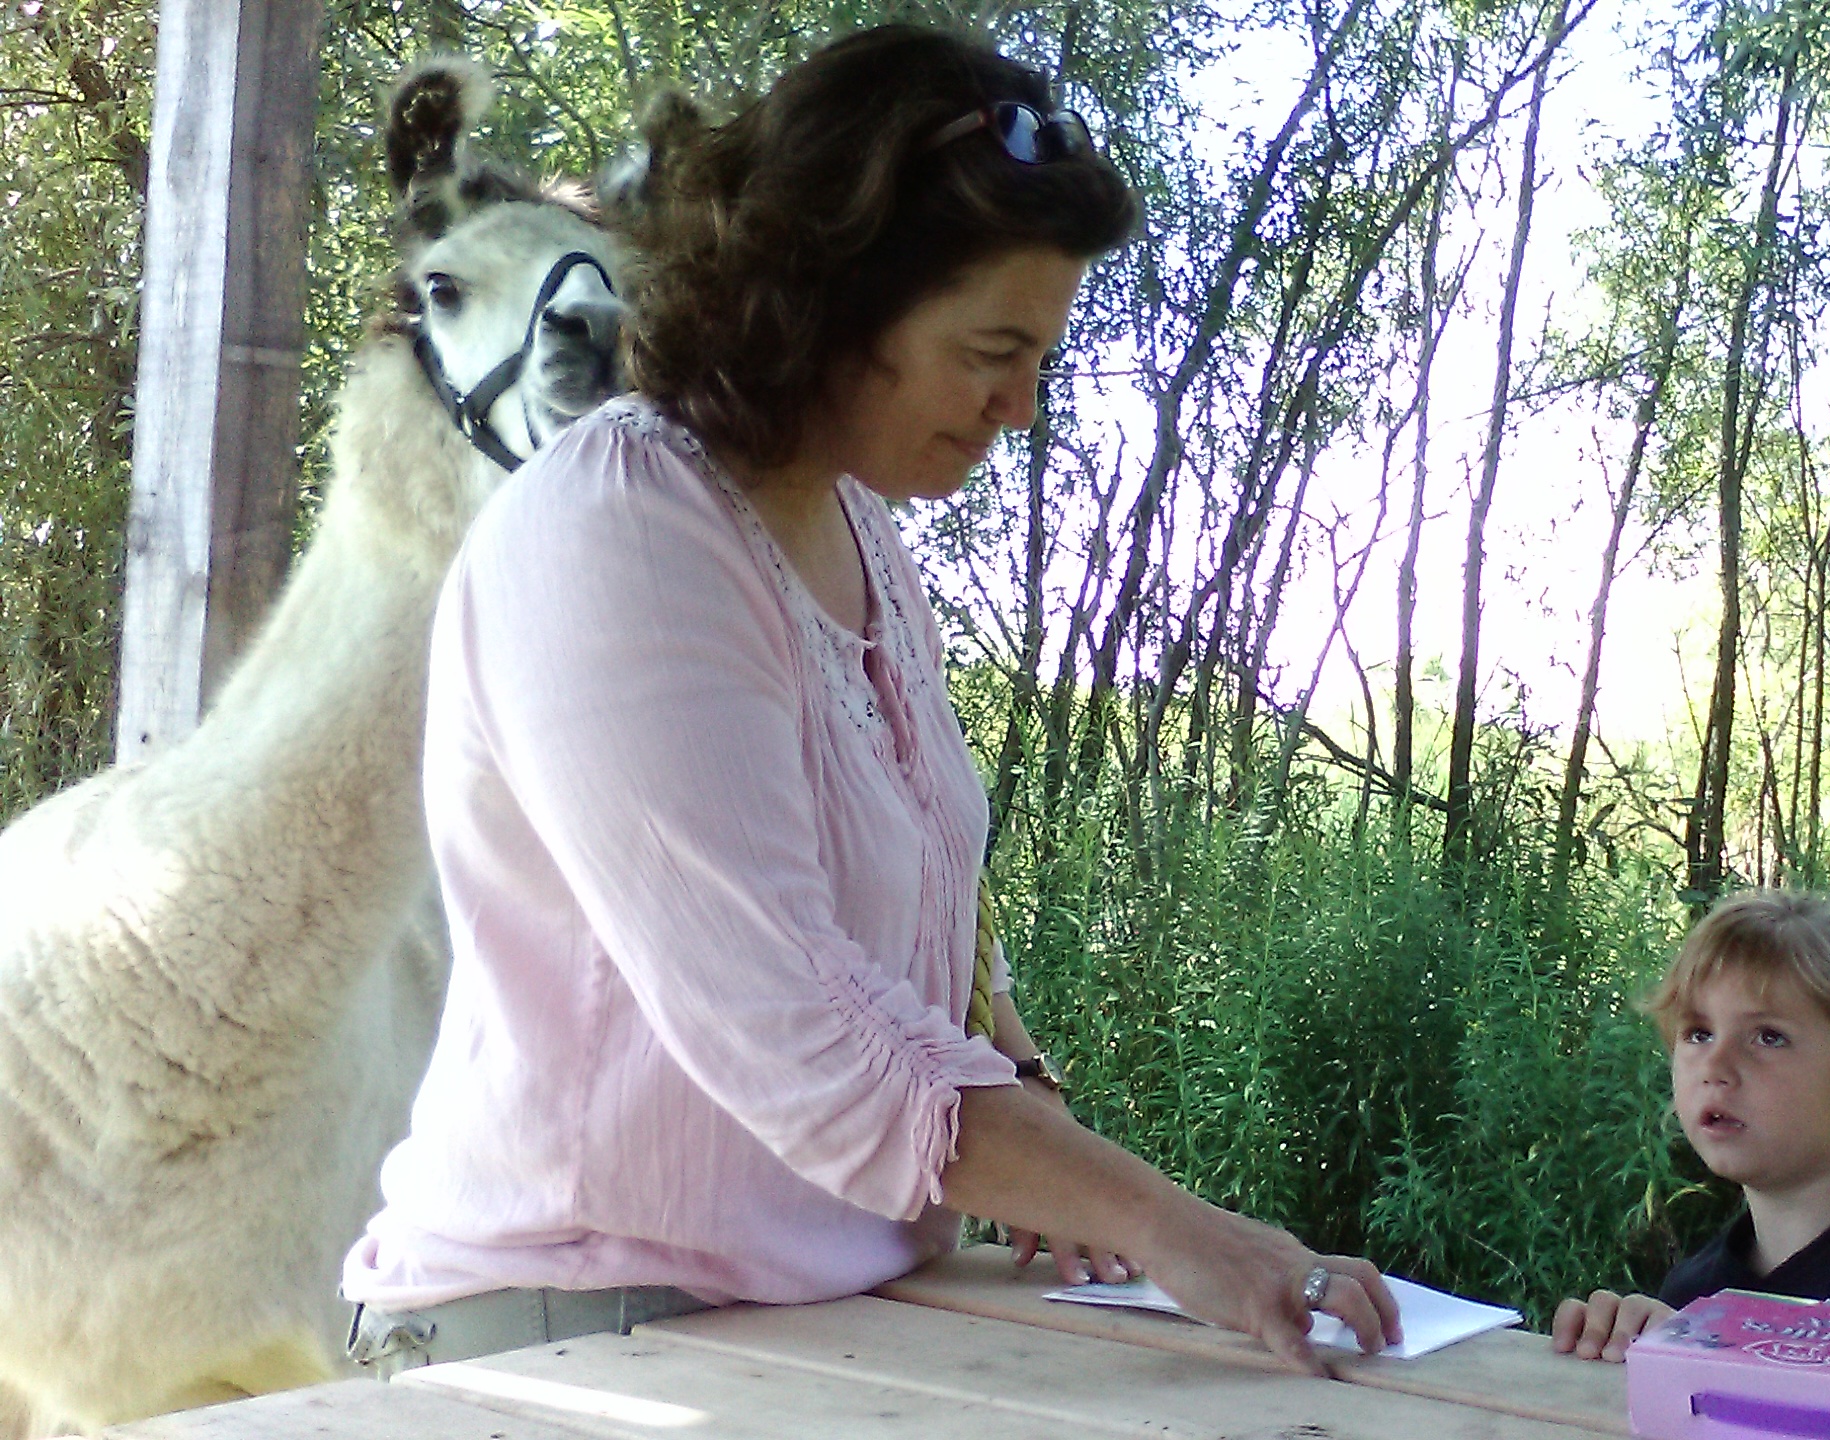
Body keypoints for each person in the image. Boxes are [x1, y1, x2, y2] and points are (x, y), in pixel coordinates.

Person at [342, 25, 1397, 1378]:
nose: (1023, 406)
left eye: (1044, 355)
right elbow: (807, 1036)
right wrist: (1176, 1229)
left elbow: (927, 920)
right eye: (994, 348)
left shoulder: (855, 530)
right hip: (566, 1333)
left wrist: (1031, 1105)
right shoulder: (620, 538)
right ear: (831, 304)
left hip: (813, 1322)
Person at [1552, 889, 1830, 1362]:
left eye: (1769, 1037)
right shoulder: (1696, 1291)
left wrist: (1715, 1353)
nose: (1716, 1064)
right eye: (1699, 1033)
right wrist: (1620, 1347)